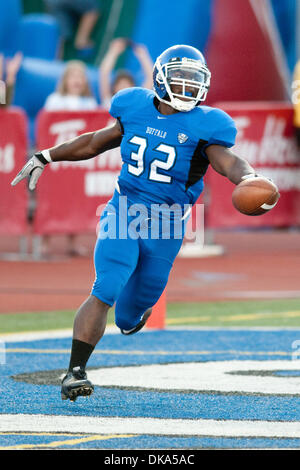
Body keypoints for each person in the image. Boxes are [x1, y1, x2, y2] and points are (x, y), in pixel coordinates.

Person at [11, 45, 277, 402]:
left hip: (167, 225)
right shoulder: (134, 106)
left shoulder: (205, 124)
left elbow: (229, 162)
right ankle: (75, 371)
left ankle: (137, 309)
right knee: (106, 286)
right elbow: (95, 142)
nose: (187, 87)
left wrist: (249, 178)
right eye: (180, 79)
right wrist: (47, 155)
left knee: (130, 315)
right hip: (124, 211)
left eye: (194, 80)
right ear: (160, 78)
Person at [43, 60, 98, 257]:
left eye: (80, 77)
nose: (77, 81)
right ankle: (46, 243)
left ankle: (72, 241)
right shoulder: (54, 100)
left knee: (74, 198)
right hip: (58, 161)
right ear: (65, 80)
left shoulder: (90, 104)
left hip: (78, 162)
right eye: (73, 76)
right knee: (52, 197)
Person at [99, 37, 153, 109]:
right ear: (114, 88)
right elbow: (104, 74)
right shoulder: (109, 102)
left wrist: (143, 56)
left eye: (127, 84)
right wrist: (113, 52)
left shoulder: (138, 103)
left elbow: (151, 78)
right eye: (120, 84)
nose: (123, 87)